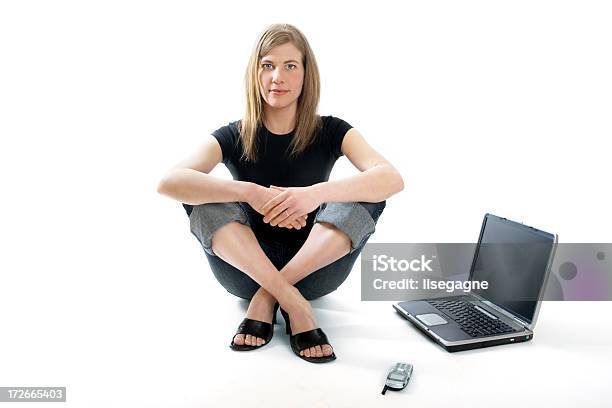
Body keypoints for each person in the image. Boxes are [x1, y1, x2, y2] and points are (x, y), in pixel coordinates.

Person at [157, 23, 404, 363]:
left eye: (290, 66)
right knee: (201, 193)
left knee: (365, 192)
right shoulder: (233, 134)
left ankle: (268, 297)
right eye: (268, 65)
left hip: (316, 270)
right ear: (255, 73)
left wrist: (313, 195)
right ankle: (293, 304)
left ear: (306, 75)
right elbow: (169, 182)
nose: (278, 77)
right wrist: (249, 192)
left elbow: (391, 178)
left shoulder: (332, 130)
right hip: (244, 271)